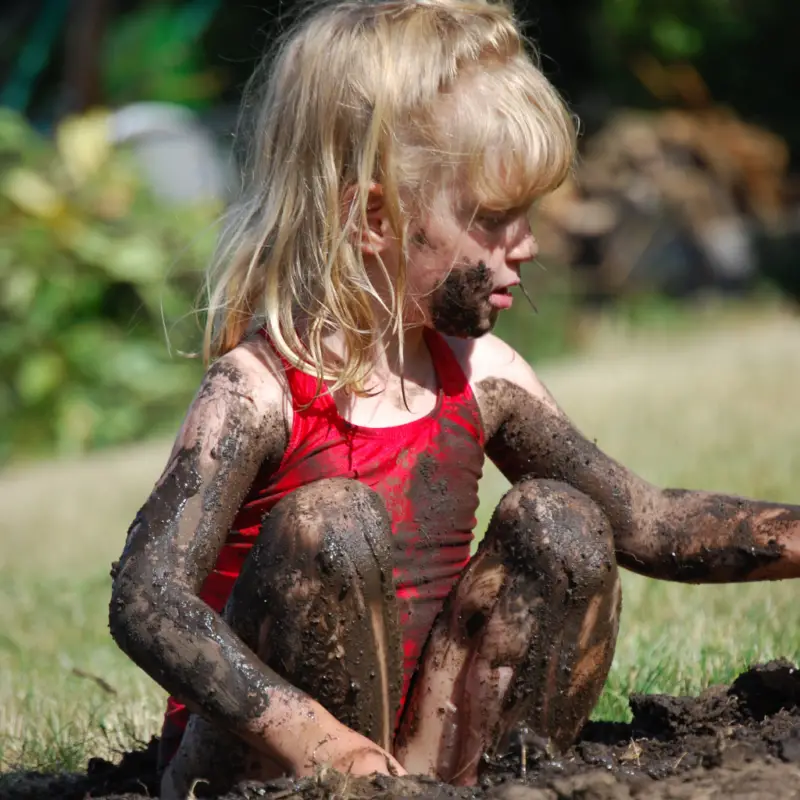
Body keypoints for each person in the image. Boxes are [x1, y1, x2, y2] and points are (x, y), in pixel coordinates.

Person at [108, 0, 800, 795]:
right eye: (498, 219)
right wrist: (316, 743)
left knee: (565, 523)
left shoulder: (479, 374)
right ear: (374, 216)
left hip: (417, 761)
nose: (529, 246)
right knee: (329, 526)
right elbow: (146, 597)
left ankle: (494, 786)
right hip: (260, 771)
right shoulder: (260, 390)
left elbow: (650, 524)